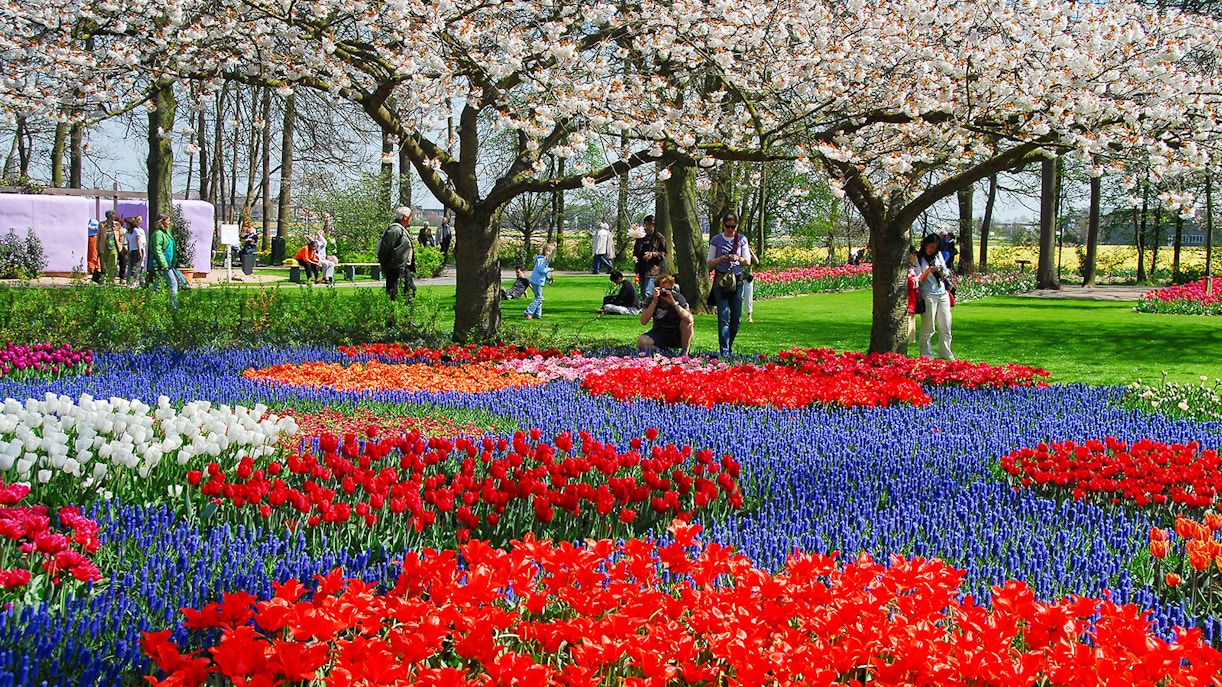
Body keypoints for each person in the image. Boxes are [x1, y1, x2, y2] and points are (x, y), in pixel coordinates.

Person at [707, 212, 751, 356]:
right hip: (721, 281)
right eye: (728, 226)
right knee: (723, 316)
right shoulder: (716, 240)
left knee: (736, 318)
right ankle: (724, 351)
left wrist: (738, 258)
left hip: (736, 280)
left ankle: (729, 345)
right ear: (723, 225)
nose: (730, 230)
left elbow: (748, 261)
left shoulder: (742, 239)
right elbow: (708, 263)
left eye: (733, 226)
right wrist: (720, 259)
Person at [916, 233, 954, 360]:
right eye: (931, 247)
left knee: (946, 326)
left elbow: (946, 272)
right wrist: (928, 271)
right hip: (927, 294)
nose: (932, 250)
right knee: (928, 327)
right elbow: (919, 279)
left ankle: (946, 354)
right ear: (925, 244)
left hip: (942, 292)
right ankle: (927, 356)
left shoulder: (938, 256)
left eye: (935, 248)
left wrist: (941, 270)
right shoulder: (919, 258)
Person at [638, 274, 693, 356]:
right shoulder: (651, 299)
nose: (666, 292)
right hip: (660, 332)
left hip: (678, 333)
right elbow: (643, 321)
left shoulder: (677, 297)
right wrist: (654, 302)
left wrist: (674, 303)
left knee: (687, 323)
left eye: (669, 289)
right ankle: (664, 353)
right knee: (642, 341)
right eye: (663, 290)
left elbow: (689, 319)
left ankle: (685, 352)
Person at [377, 207, 415, 301]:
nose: (411, 219)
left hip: (403, 268)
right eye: (410, 216)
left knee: (410, 291)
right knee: (394, 294)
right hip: (395, 269)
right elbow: (385, 249)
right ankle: (393, 314)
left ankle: (407, 314)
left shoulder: (401, 229)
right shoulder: (395, 230)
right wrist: (384, 265)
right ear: (405, 217)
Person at [633, 214, 666, 302]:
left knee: (647, 291)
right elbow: (636, 250)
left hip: (652, 269)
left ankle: (649, 310)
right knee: (643, 291)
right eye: (646, 224)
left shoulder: (659, 238)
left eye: (649, 224)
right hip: (641, 267)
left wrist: (652, 254)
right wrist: (635, 256)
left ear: (654, 225)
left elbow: (664, 254)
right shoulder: (641, 237)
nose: (647, 227)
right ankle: (646, 309)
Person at [523, 242, 556, 320]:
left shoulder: (543, 260)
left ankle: (537, 314)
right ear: (548, 252)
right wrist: (550, 269)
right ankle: (528, 312)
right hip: (536, 281)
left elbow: (542, 273)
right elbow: (541, 270)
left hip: (538, 281)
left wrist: (548, 278)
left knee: (539, 298)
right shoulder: (541, 260)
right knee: (539, 298)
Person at [150, 213, 177, 304]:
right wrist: (164, 264)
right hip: (162, 264)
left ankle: (152, 304)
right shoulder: (158, 234)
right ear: (162, 221)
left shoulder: (165, 232)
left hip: (167, 263)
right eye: (168, 221)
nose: (169, 223)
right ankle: (174, 306)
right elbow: (158, 250)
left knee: (157, 285)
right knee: (173, 284)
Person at [98, 210, 126, 284]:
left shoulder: (117, 225)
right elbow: (99, 237)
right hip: (104, 247)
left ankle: (110, 280)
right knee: (104, 264)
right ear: (109, 216)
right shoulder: (102, 225)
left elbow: (121, 236)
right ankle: (104, 278)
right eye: (113, 214)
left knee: (112, 264)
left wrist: (120, 244)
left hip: (114, 247)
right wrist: (98, 248)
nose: (114, 216)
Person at [125, 217, 146, 288]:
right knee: (131, 266)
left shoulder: (136, 231)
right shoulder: (128, 232)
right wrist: (128, 252)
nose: (126, 225)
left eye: (127, 223)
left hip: (137, 250)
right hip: (132, 250)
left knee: (136, 267)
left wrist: (140, 251)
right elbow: (128, 242)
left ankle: (135, 282)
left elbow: (138, 241)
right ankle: (131, 281)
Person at [905, 247, 919, 346]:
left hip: (913, 300)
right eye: (913, 254)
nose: (914, 257)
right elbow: (911, 283)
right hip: (908, 300)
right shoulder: (906, 269)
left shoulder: (912, 268)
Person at [86, 218, 101, 283]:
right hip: (88, 237)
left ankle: (95, 269)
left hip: (93, 237)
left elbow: (98, 228)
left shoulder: (92, 220)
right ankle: (91, 268)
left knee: (93, 254)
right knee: (89, 254)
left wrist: (89, 227)